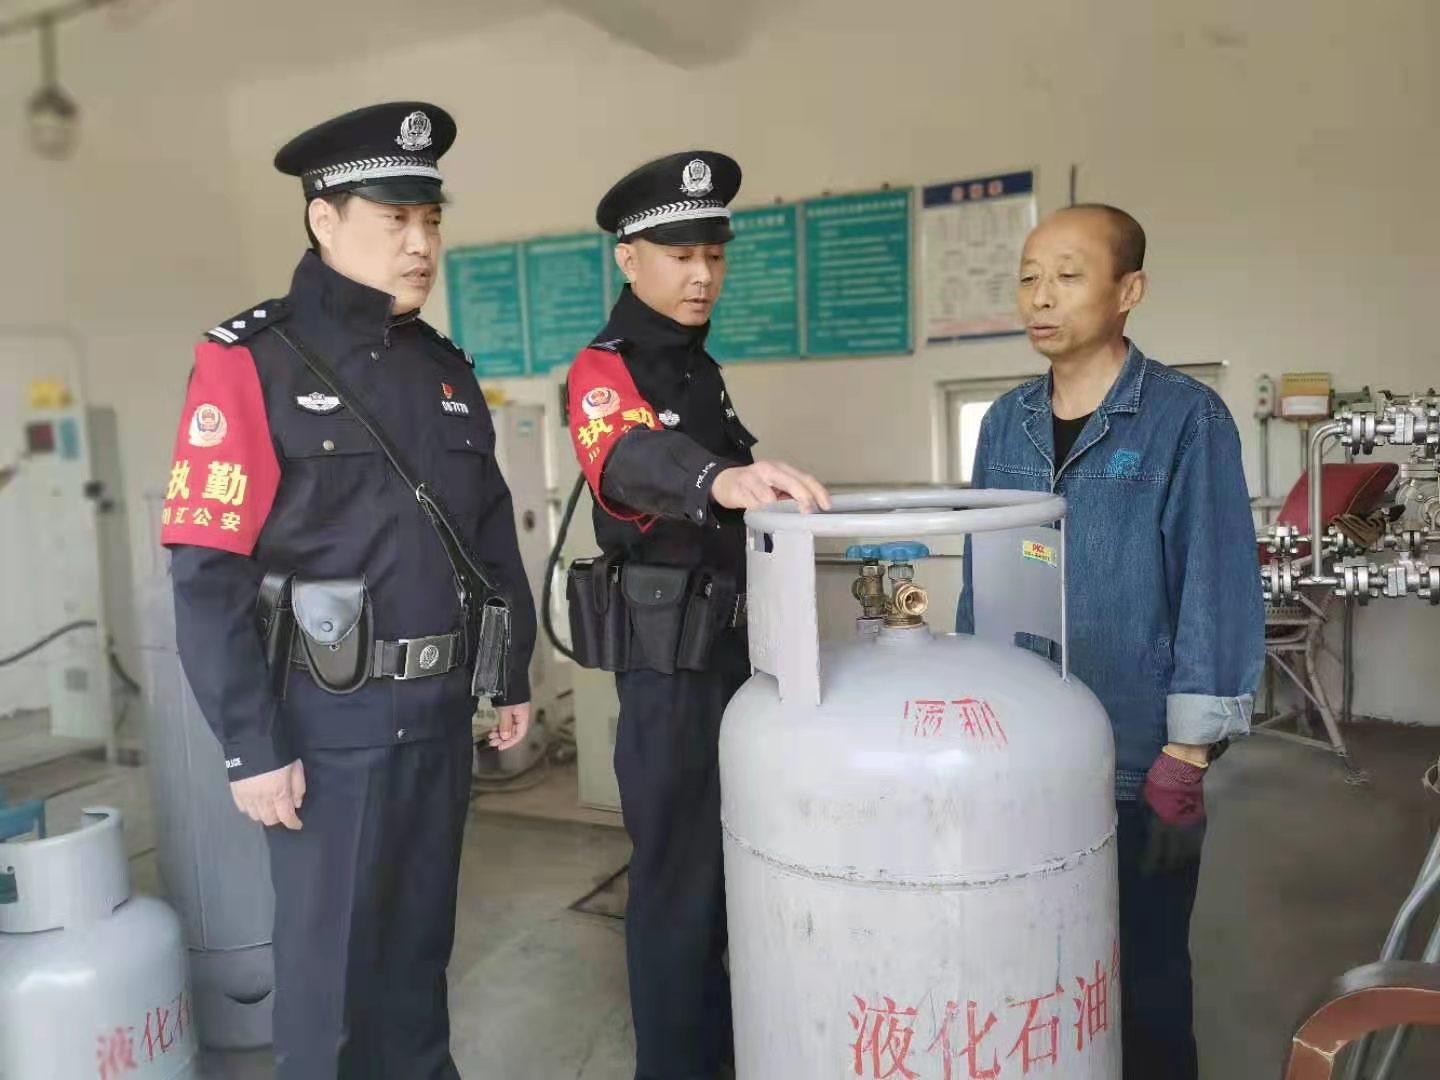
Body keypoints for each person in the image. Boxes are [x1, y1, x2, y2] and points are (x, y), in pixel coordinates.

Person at [159, 101, 536, 1079]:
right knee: (328, 981)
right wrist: (251, 743)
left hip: (439, 711)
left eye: (431, 220)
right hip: (327, 726)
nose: (420, 244)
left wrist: (511, 671)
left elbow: (489, 535)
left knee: (417, 962)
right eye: (394, 218)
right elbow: (205, 574)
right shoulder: (251, 360)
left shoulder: (444, 370)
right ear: (323, 218)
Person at [956, 204, 1263, 1080]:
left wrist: (1187, 755)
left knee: (1147, 979)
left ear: (1130, 291)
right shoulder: (1004, 422)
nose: (1040, 296)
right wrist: (974, 716)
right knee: (1040, 966)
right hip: (1025, 752)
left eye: (1067, 275)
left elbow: (1216, 581)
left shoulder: (1184, 419)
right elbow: (982, 576)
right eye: (1028, 277)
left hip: (1139, 760)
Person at [564, 150, 830, 1079]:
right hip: (668, 665)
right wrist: (718, 477)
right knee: (677, 881)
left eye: (713, 253)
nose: (702, 274)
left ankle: (723, 1050)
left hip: (729, 652)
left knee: (729, 869)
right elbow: (625, 457)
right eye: (679, 255)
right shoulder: (607, 367)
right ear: (628, 258)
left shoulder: (696, 368)